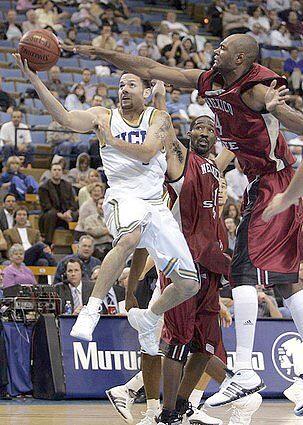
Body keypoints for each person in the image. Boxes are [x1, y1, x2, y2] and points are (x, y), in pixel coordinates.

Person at [67, 33, 303, 416]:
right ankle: (165, 406)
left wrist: (281, 111)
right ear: (188, 136)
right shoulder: (181, 156)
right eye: (200, 129)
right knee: (183, 336)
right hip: (184, 257)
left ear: (241, 58)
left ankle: (191, 401)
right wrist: (100, 53)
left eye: (225, 47)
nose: (206, 131)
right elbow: (152, 74)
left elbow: (285, 124)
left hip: (226, 241)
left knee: (209, 336)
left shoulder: (236, 131)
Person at [13, 55, 200, 363]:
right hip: (123, 196)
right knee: (128, 238)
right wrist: (34, 79)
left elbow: (149, 152)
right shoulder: (102, 114)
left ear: (144, 90)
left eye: (130, 84)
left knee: (189, 284)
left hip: (155, 203)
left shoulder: (158, 118)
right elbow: (65, 118)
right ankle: (92, 307)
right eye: (120, 85)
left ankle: (149, 316)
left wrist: (110, 141)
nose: (124, 89)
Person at [38, 163, 78, 245]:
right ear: (51, 172)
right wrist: (60, 215)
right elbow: (46, 206)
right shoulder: (43, 187)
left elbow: (73, 204)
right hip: (51, 214)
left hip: (66, 214)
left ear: (62, 172)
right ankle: (48, 242)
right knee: (51, 214)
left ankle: (76, 242)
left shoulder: (68, 185)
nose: (57, 172)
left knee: (78, 214)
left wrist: (69, 212)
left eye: (59, 170)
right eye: (55, 170)